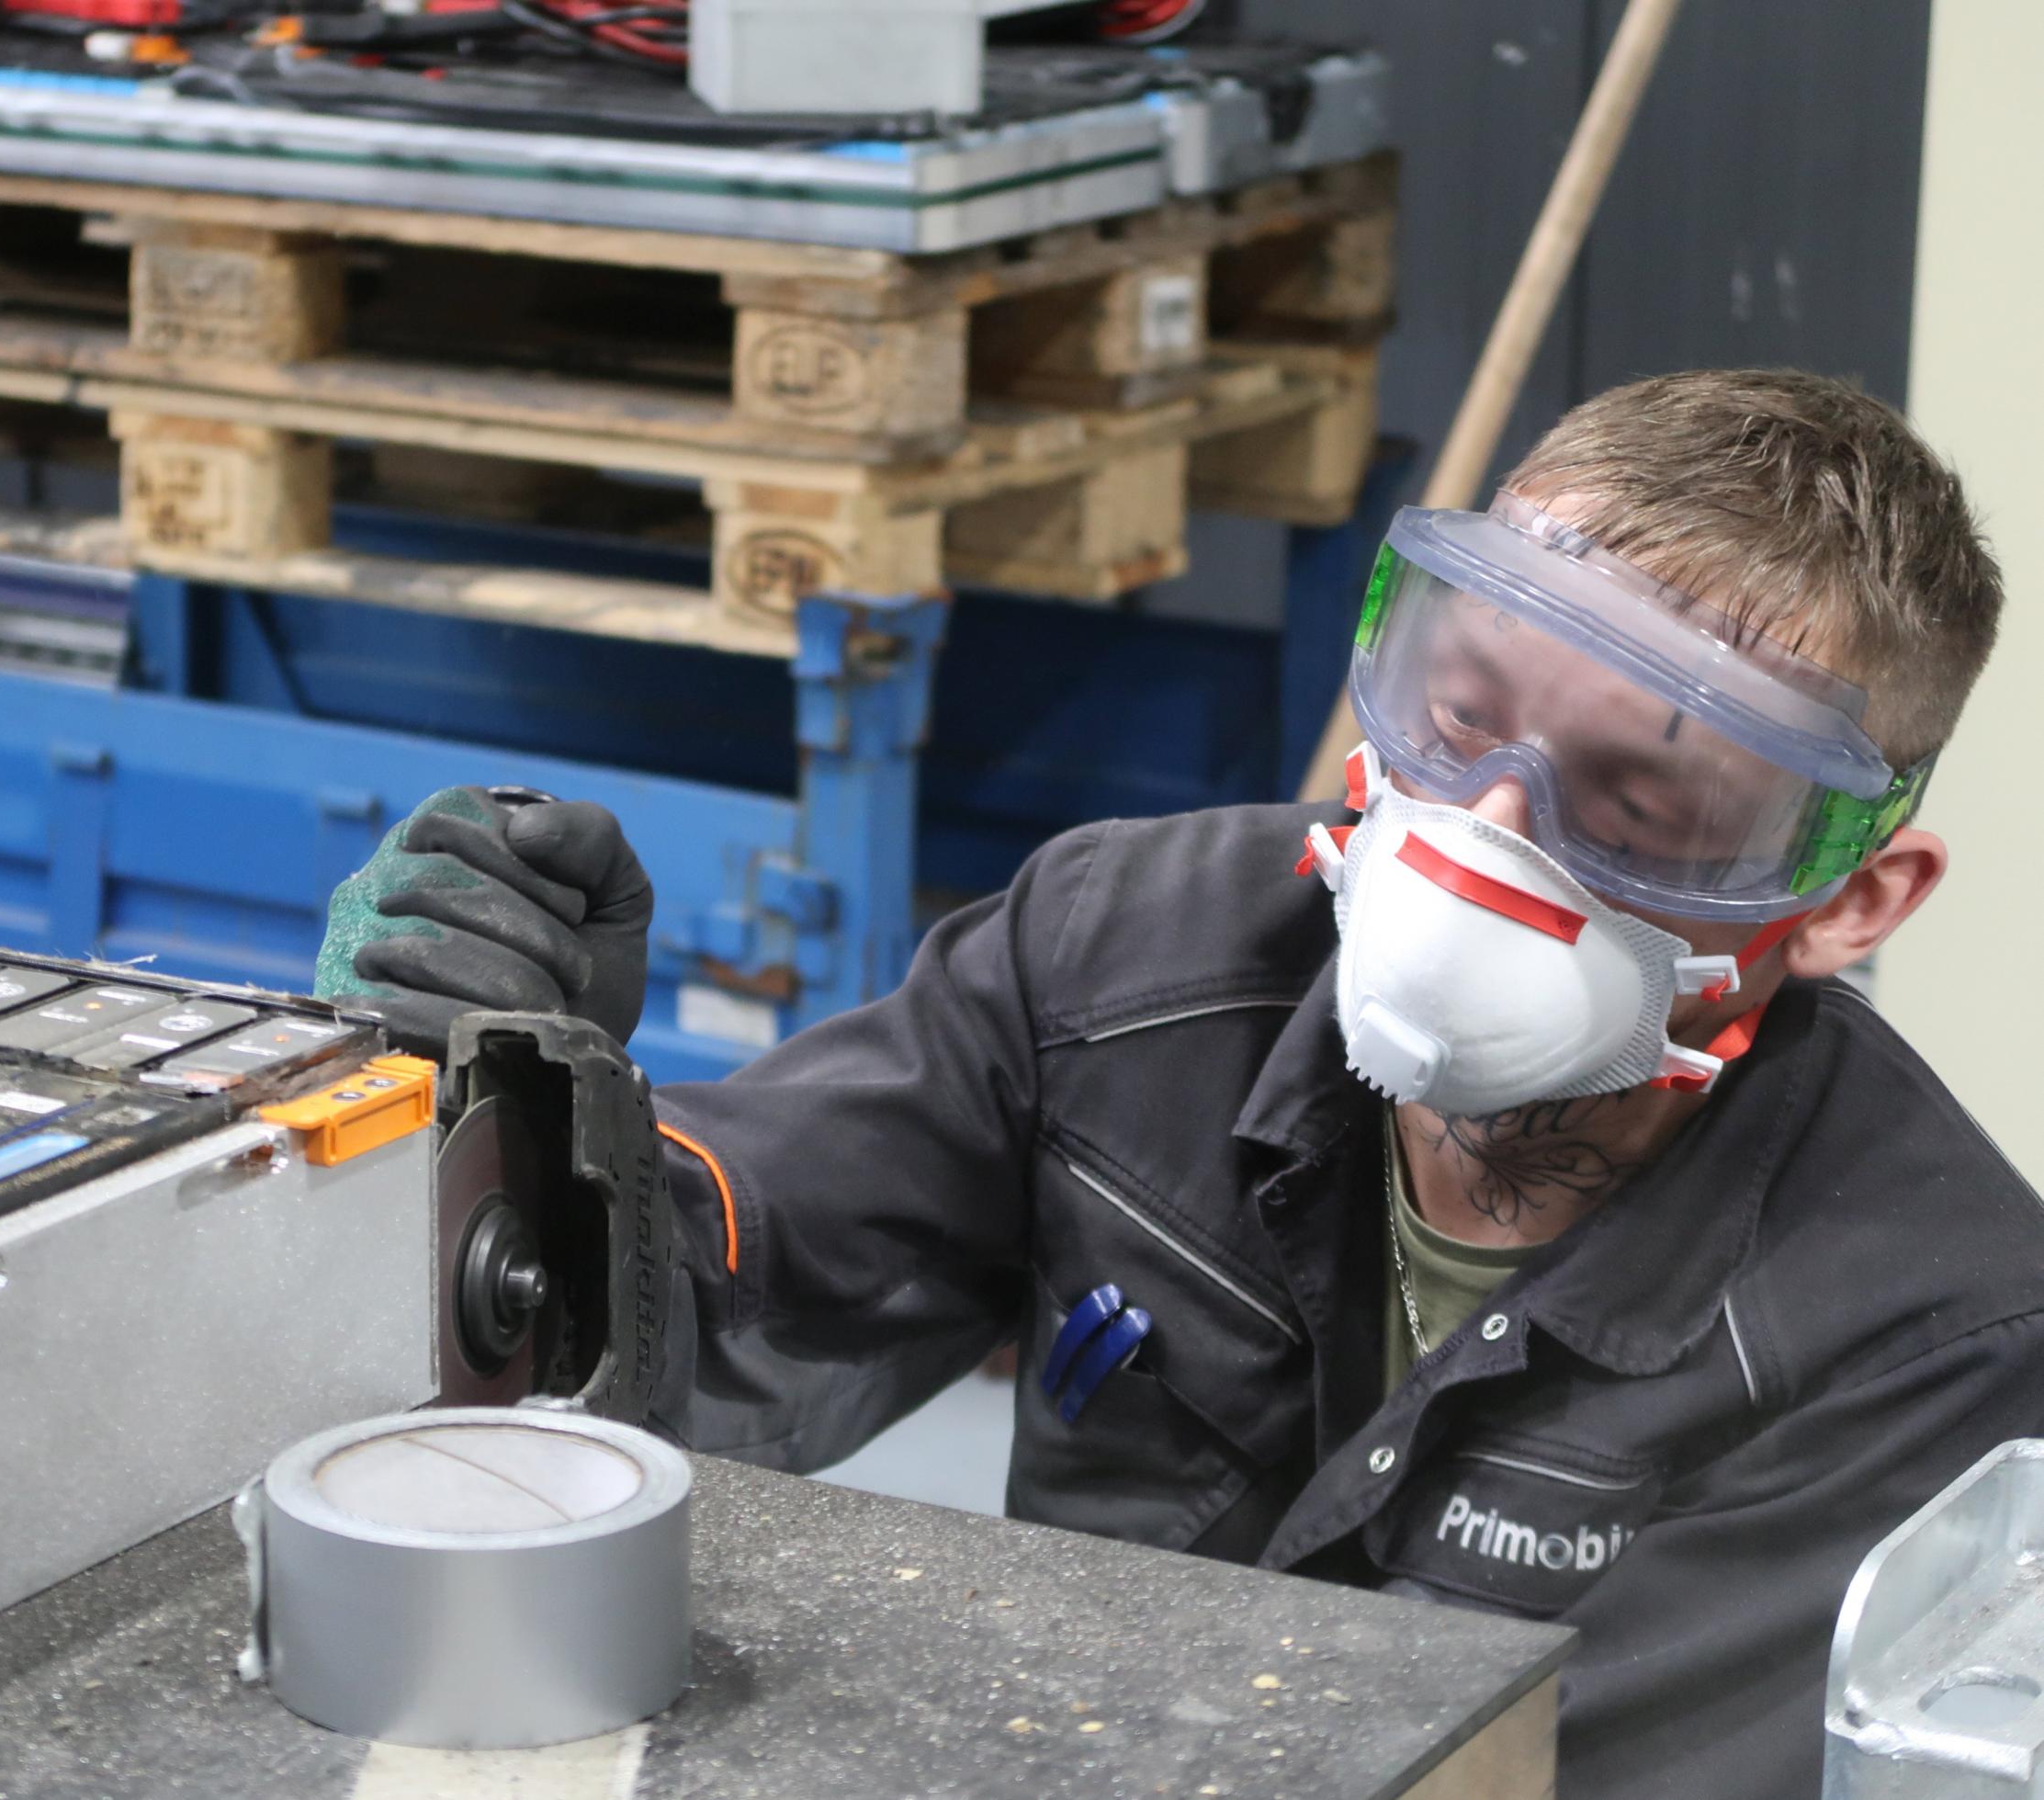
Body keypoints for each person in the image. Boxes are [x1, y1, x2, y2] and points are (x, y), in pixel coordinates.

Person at [313, 368, 2036, 1797]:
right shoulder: (1126, 952)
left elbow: (1502, 1780)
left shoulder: (1922, 1335)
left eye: (1640, 812)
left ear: (1848, 901)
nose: (1484, 838)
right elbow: (690, 1326)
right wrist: (522, 1121)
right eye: (1456, 713)